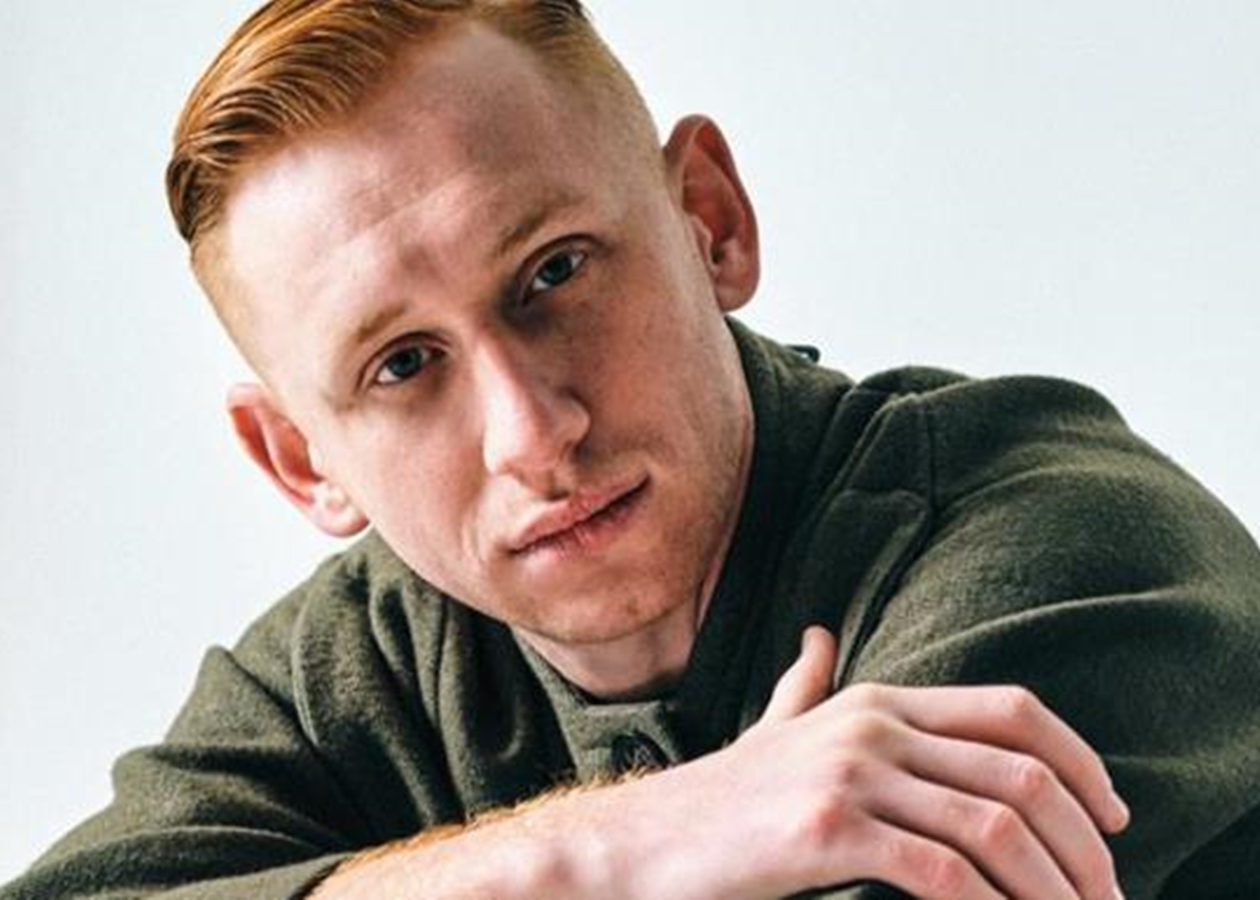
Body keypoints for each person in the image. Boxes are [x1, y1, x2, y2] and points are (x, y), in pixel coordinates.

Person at [4, 2, 1259, 898]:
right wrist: (615, 845)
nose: (533, 432)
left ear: (710, 222)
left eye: (554, 272)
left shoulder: (1062, 547)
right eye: (403, 365)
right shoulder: (357, 666)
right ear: (300, 460)